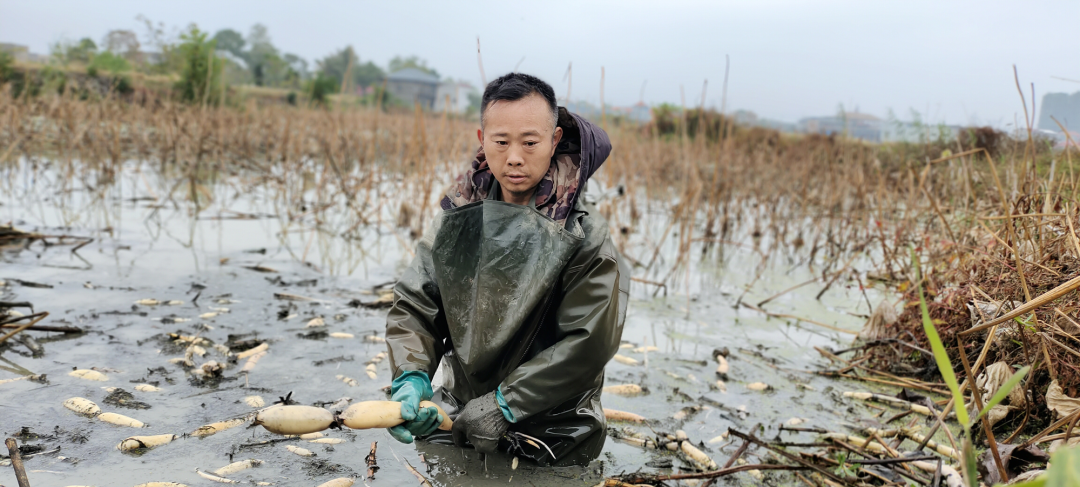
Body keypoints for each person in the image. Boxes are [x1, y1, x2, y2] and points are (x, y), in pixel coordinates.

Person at [383, 72, 628, 467]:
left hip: (552, 432)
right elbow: (416, 302)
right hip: (458, 420)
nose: (514, 156)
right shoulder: (456, 221)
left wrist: (506, 404)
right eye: (501, 142)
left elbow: (589, 342)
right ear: (483, 140)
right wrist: (411, 376)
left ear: (553, 140)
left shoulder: (585, 235)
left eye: (530, 142)